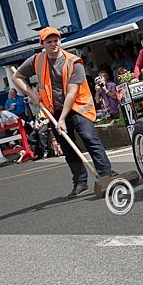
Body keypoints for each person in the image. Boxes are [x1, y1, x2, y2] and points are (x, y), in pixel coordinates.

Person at [12, 27, 116, 198]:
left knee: (89, 137)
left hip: (78, 107)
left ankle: (107, 174)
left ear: (60, 41)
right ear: (42, 44)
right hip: (53, 109)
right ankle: (80, 182)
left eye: (56, 41)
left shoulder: (74, 62)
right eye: (49, 42)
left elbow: (71, 93)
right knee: (67, 146)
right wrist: (32, 94)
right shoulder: (37, 60)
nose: (53, 44)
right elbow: (17, 77)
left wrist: (62, 120)